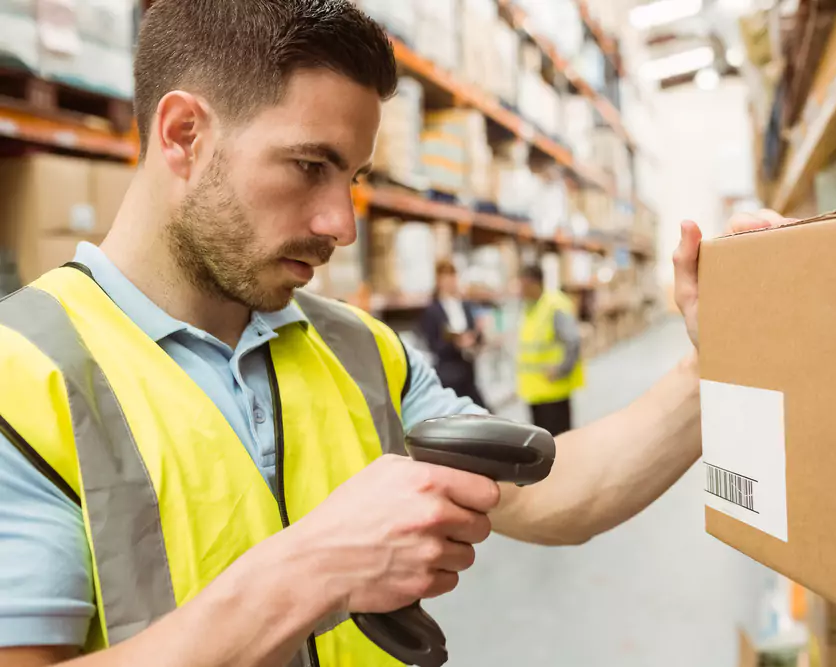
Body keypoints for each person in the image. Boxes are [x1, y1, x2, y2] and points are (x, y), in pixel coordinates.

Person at [0, 2, 785, 665]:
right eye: (310, 165)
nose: (341, 224)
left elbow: (560, 494)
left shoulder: (359, 350)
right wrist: (311, 572)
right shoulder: (23, 378)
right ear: (182, 134)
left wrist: (709, 363)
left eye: (354, 178)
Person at [515, 265, 584, 436]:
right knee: (542, 443)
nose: (520, 289)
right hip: (535, 392)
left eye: (523, 284)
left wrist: (561, 369)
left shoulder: (554, 306)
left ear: (534, 283)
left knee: (560, 443)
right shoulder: (529, 308)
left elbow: (573, 341)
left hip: (554, 392)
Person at [419, 260, 488, 409]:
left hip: (468, 371)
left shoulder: (465, 305)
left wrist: (477, 334)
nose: (450, 281)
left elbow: (478, 336)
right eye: (445, 277)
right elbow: (433, 344)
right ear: (438, 281)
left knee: (482, 412)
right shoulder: (432, 311)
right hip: (448, 374)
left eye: (452, 276)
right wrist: (456, 343)